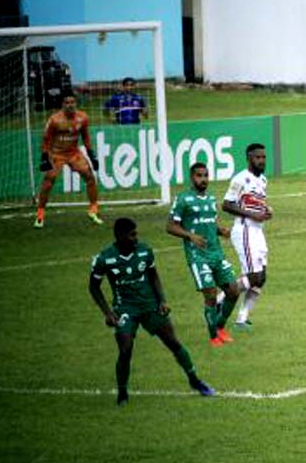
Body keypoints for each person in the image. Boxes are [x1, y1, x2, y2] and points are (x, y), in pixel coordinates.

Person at [89, 217, 216, 406]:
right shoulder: (105, 258)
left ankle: (195, 380)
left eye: (136, 234)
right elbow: (93, 287)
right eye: (132, 235)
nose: (136, 238)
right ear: (120, 236)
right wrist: (107, 312)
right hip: (125, 308)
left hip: (150, 305)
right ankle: (122, 393)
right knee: (125, 351)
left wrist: (162, 300)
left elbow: (153, 276)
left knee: (173, 342)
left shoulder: (145, 251)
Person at [166, 162, 242, 346]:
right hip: (197, 256)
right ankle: (213, 336)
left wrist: (221, 231)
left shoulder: (210, 200)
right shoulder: (183, 199)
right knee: (211, 294)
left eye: (206, 175)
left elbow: (210, 222)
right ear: (192, 178)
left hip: (216, 253)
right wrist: (189, 235)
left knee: (233, 290)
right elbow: (170, 226)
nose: (203, 179)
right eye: (199, 176)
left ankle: (220, 326)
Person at [34, 93, 102, 228]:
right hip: (56, 154)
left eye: (72, 102)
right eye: (67, 102)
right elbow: (46, 138)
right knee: (48, 181)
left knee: (90, 177)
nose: (70, 105)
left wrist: (91, 154)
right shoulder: (54, 119)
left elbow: (86, 137)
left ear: (76, 104)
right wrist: (44, 157)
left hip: (74, 153)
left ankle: (93, 210)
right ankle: (40, 214)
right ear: (62, 105)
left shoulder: (82, 118)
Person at [223, 143, 271, 329]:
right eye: (257, 157)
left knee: (262, 277)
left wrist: (266, 211)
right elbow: (227, 205)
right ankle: (220, 300)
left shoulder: (263, 181)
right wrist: (253, 215)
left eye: (264, 157)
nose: (261, 160)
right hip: (244, 230)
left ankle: (242, 318)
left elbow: (255, 204)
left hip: (258, 231)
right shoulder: (240, 179)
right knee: (254, 277)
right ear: (249, 158)